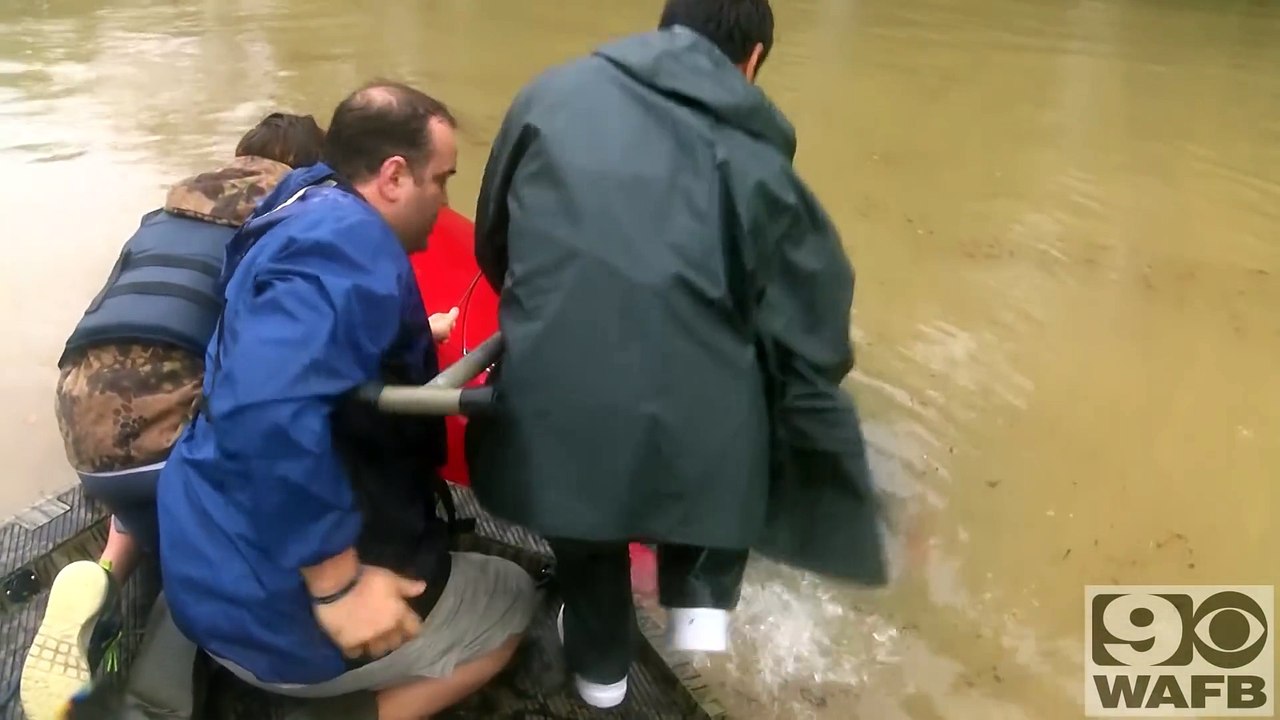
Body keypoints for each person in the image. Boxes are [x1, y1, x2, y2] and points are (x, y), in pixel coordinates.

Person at [469, 0, 888, 709]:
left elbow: (494, 243)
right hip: (697, 438)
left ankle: (601, 676)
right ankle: (701, 612)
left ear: (663, 31)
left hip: (550, 426)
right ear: (751, 61)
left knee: (584, 522)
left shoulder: (549, 95)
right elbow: (815, 327)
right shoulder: (758, 149)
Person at [155, 81, 535, 720]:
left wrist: (415, 331)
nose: (444, 200)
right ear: (392, 176)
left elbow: (279, 350)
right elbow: (265, 407)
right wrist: (338, 587)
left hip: (203, 571)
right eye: (440, 180)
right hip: (268, 622)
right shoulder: (345, 245)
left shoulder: (300, 201)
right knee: (512, 600)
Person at [21, 112, 327, 720]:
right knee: (246, 448)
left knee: (147, 437)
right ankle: (164, 665)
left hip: (82, 423)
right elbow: (296, 352)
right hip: (170, 450)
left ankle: (103, 574)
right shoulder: (291, 220)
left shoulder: (159, 219)